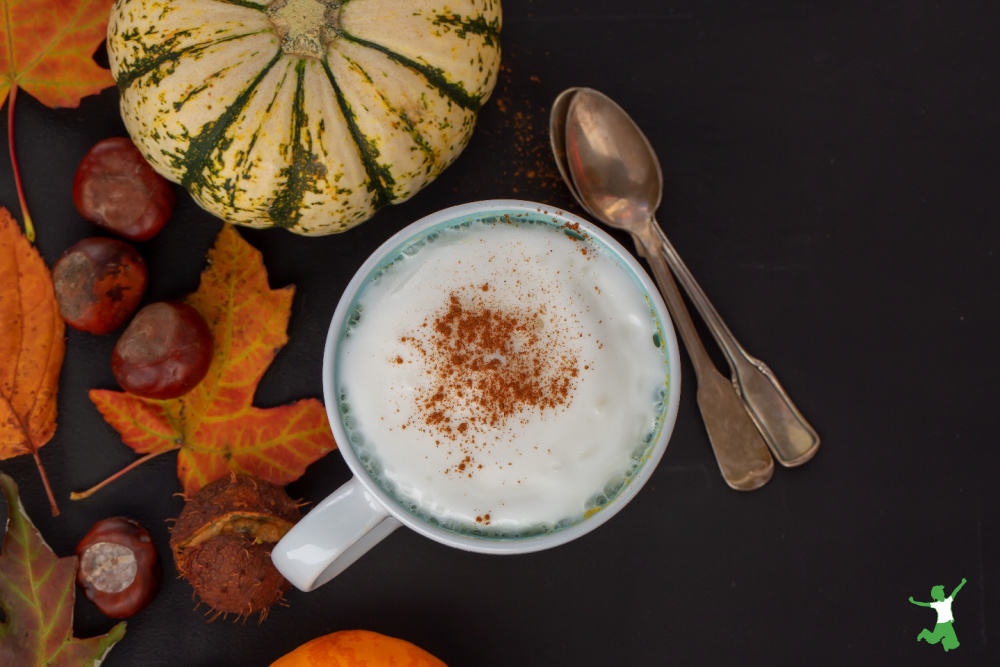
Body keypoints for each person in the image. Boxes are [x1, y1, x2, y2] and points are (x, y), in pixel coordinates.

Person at [909, 578, 966, 652]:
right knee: (933, 640)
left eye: (942, 591)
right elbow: (924, 604)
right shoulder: (936, 604)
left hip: (948, 625)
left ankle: (945, 642)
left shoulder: (948, 600)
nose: (943, 592)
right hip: (941, 626)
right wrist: (913, 602)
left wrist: (962, 583)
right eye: (941, 591)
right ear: (937, 594)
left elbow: (955, 591)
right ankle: (924, 633)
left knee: (955, 644)